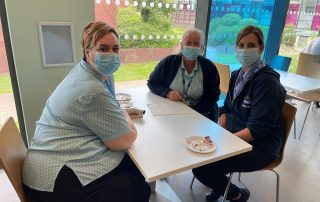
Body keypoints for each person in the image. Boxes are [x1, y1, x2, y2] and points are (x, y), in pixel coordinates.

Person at [22, 21, 151, 202]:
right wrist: (125, 115)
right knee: (137, 187)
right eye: (103, 49)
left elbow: (112, 103)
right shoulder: (91, 89)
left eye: (115, 49)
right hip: (53, 182)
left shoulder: (87, 72)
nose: (111, 55)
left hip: (45, 162)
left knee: (131, 165)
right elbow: (125, 139)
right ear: (87, 52)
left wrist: (119, 111)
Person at [192, 25, 286, 202]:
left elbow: (257, 130)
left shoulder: (267, 82)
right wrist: (220, 133)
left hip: (260, 147)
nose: (244, 50)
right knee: (200, 155)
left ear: (261, 49)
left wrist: (224, 141)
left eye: (250, 45)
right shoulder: (237, 75)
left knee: (201, 168)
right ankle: (221, 186)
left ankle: (236, 195)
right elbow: (226, 108)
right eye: (240, 45)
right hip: (235, 137)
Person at [147, 29, 220, 122]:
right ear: (181, 46)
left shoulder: (209, 67)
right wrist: (168, 93)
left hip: (200, 116)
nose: (192, 47)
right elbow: (152, 83)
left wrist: (193, 112)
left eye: (196, 43)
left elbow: (213, 95)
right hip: (172, 113)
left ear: (201, 47)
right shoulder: (169, 62)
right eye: (188, 43)